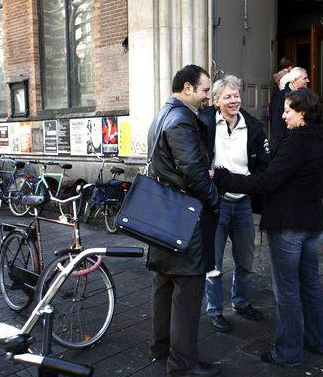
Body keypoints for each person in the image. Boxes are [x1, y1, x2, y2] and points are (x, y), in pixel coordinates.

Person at [215, 88, 323, 366]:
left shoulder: (295, 143)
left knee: (287, 289)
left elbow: (267, 181)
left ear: (302, 113)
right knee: (311, 284)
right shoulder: (322, 141)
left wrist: (225, 179)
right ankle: (318, 341)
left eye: (288, 110)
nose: (283, 114)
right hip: (311, 222)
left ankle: (289, 352)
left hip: (288, 224)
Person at [146, 64, 221, 377]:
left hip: (164, 215)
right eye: (205, 90)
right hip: (184, 219)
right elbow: (192, 172)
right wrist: (214, 199)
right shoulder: (181, 120)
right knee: (187, 293)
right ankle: (182, 364)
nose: (208, 97)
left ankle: (162, 349)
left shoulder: (162, 114)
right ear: (188, 88)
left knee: (164, 286)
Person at [199, 75, 270, 333]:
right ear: (217, 100)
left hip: (242, 203)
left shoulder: (253, 126)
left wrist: (251, 185)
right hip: (216, 202)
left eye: (236, 95)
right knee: (214, 263)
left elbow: (264, 166)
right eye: (227, 96)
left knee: (245, 259)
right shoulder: (204, 123)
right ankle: (215, 310)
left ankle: (240, 302)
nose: (234, 100)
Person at [270, 67, 309, 144]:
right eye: (305, 78)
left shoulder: (307, 96)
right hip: (287, 142)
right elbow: (277, 124)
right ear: (295, 79)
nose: (308, 81)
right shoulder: (280, 97)